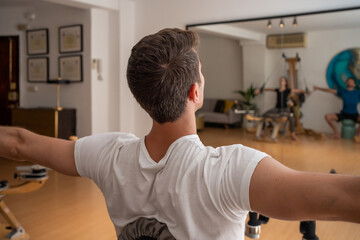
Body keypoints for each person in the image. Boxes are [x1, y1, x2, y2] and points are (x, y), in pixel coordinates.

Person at [0, 29, 359, 239]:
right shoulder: (230, 171)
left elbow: (19, 142)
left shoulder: (108, 154)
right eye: (200, 74)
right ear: (195, 92)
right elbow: (345, 198)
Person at [255, 77, 306, 141]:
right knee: (264, 115)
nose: (281, 81)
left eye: (283, 80)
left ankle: (293, 135)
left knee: (292, 119)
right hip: (276, 109)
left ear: (285, 82)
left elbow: (298, 91)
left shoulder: (288, 90)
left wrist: (305, 91)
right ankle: (262, 131)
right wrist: (259, 90)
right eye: (281, 80)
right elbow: (268, 89)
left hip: (284, 110)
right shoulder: (277, 90)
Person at [314, 77, 360, 142]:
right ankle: (336, 133)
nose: (349, 82)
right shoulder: (342, 91)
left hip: (354, 114)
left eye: (351, 81)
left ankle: (356, 135)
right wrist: (318, 88)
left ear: (354, 84)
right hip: (344, 114)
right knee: (327, 117)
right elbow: (329, 90)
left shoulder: (358, 92)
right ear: (346, 83)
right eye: (348, 81)